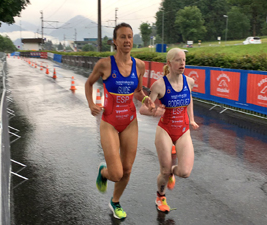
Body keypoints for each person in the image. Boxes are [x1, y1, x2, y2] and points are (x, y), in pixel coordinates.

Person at [84, 22, 155, 220]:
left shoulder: (139, 65)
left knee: (127, 169)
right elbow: (89, 83)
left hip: (130, 121)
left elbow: (138, 92)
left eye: (130, 36)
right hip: (109, 122)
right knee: (116, 173)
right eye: (122, 37)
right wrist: (91, 104)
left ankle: (115, 201)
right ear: (115, 41)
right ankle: (103, 172)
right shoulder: (105, 64)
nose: (127, 40)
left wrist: (147, 99)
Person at [139, 48, 199, 212]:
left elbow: (189, 98)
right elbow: (142, 110)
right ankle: (160, 196)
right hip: (165, 129)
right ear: (169, 63)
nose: (182, 63)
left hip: (183, 130)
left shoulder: (189, 81)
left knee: (185, 172)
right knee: (163, 171)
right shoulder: (159, 85)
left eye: (184, 60)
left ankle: (171, 172)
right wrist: (155, 111)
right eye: (178, 60)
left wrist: (192, 119)